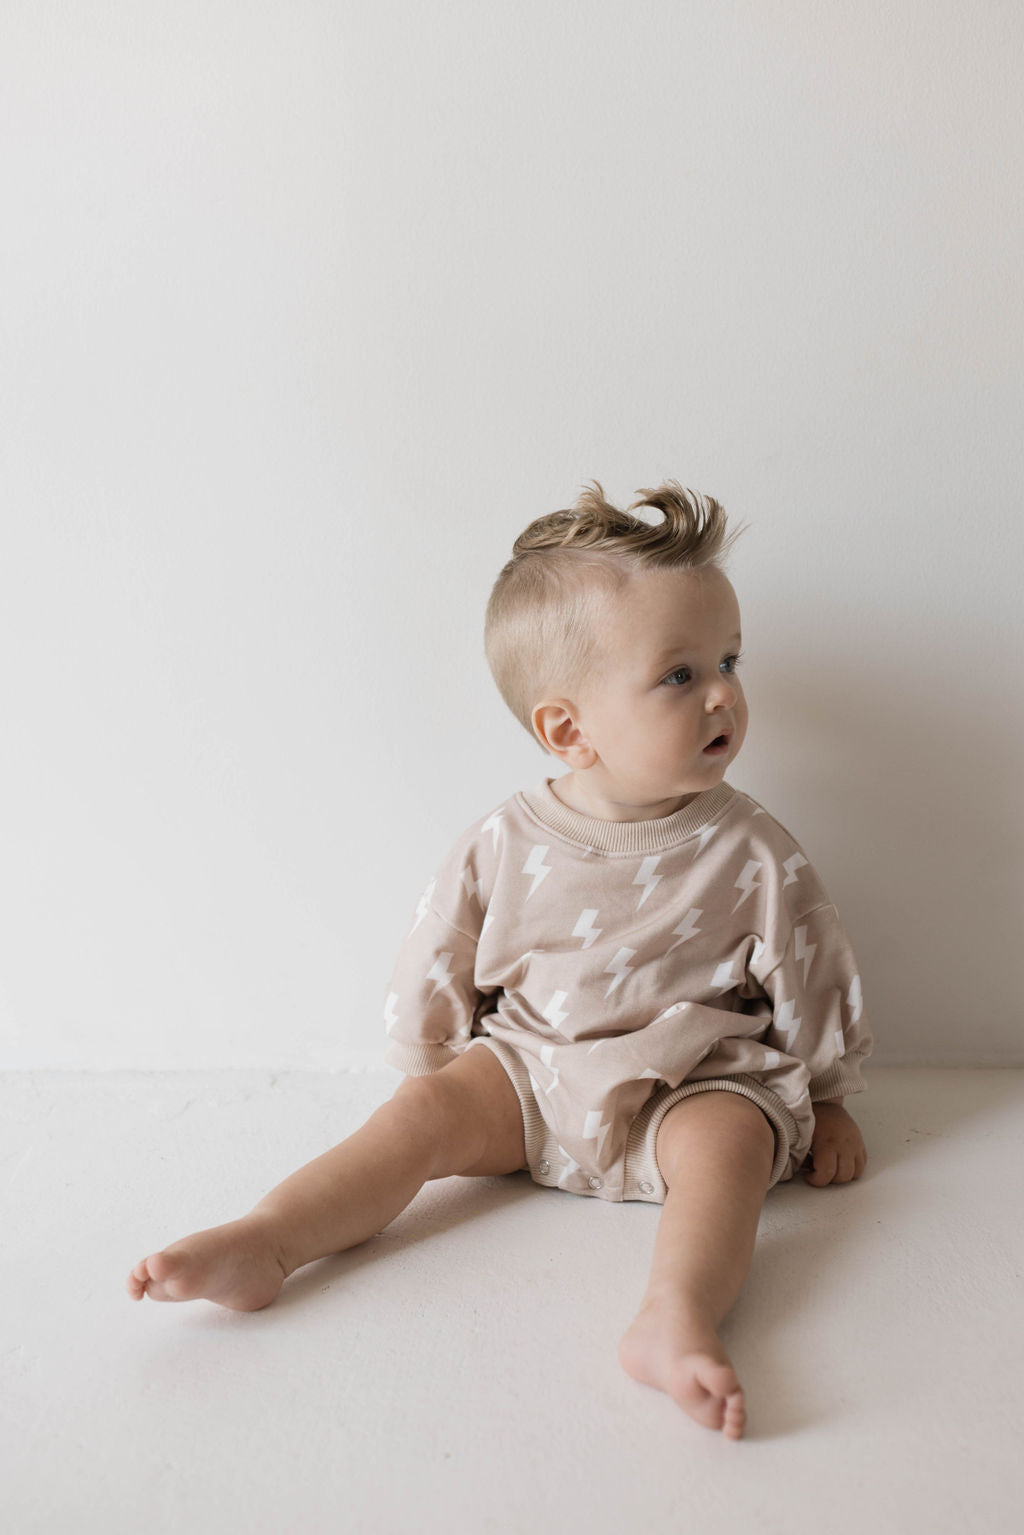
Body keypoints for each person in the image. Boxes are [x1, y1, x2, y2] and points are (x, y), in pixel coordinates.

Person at [126, 480, 871, 1442]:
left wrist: (833, 1091)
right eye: (679, 674)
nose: (725, 691)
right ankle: (271, 1238)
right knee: (423, 1115)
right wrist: (431, 1061)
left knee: (729, 1151)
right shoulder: (507, 839)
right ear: (568, 729)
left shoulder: (752, 847)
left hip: (694, 1078)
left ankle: (674, 1312)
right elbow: (443, 946)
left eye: (728, 660)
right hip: (533, 1070)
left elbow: (813, 968)